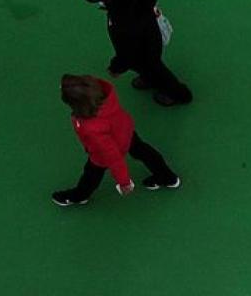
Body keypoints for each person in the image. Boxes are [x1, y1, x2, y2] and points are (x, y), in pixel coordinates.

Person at [52, 74, 181, 206]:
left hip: (102, 152)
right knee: (143, 151)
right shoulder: (106, 97)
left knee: (91, 174)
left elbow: (113, 157)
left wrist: (124, 182)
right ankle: (168, 177)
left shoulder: (91, 128)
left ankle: (80, 196)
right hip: (125, 130)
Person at [83, 0, 191, 106]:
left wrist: (116, 68)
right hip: (151, 38)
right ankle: (148, 79)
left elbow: (126, 51)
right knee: (150, 68)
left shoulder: (123, 22)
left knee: (156, 71)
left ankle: (177, 94)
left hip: (143, 53)